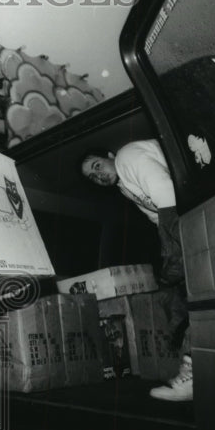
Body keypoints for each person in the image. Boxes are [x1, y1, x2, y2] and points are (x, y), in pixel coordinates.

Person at [80, 140, 192, 401]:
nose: (98, 175)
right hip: (188, 218)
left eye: (97, 166)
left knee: (195, 294)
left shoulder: (126, 158)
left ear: (109, 154)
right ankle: (192, 366)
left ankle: (191, 371)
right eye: (93, 177)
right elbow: (155, 217)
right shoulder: (124, 187)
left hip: (191, 214)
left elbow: (166, 192)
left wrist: (173, 252)